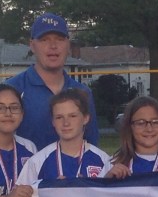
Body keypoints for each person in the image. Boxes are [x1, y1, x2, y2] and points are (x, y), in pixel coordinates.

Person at [6, 12, 99, 150]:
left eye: (59, 39)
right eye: (44, 40)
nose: (53, 45)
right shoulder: (11, 89)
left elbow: (91, 146)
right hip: (24, 171)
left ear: (68, 44)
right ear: (32, 45)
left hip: (71, 171)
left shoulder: (82, 93)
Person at [17, 88, 111, 185]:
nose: (66, 123)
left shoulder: (104, 161)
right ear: (53, 121)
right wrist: (51, 190)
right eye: (59, 117)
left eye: (72, 116)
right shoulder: (37, 162)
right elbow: (22, 196)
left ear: (86, 118)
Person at [109, 96, 158, 178]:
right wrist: (107, 181)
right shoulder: (113, 164)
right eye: (141, 123)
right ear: (129, 127)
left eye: (155, 122)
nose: (149, 129)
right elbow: (97, 189)